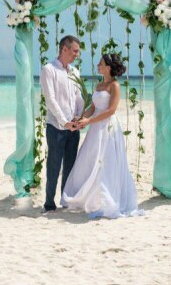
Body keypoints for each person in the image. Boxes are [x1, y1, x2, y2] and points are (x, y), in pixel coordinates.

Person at [61, 53, 144, 218]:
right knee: (89, 159)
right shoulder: (99, 85)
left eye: (101, 64)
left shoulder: (115, 86)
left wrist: (89, 121)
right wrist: (82, 117)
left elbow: (111, 110)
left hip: (107, 127)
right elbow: (93, 106)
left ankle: (106, 199)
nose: (98, 66)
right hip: (94, 127)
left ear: (108, 67)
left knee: (106, 162)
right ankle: (86, 197)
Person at [39, 35, 84, 213]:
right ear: (64, 49)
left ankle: (65, 200)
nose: (76, 55)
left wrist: (78, 118)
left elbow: (78, 98)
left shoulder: (75, 72)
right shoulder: (48, 69)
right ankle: (49, 203)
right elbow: (50, 99)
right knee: (54, 165)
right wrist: (64, 122)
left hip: (73, 126)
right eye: (75, 51)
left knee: (70, 166)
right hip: (56, 127)